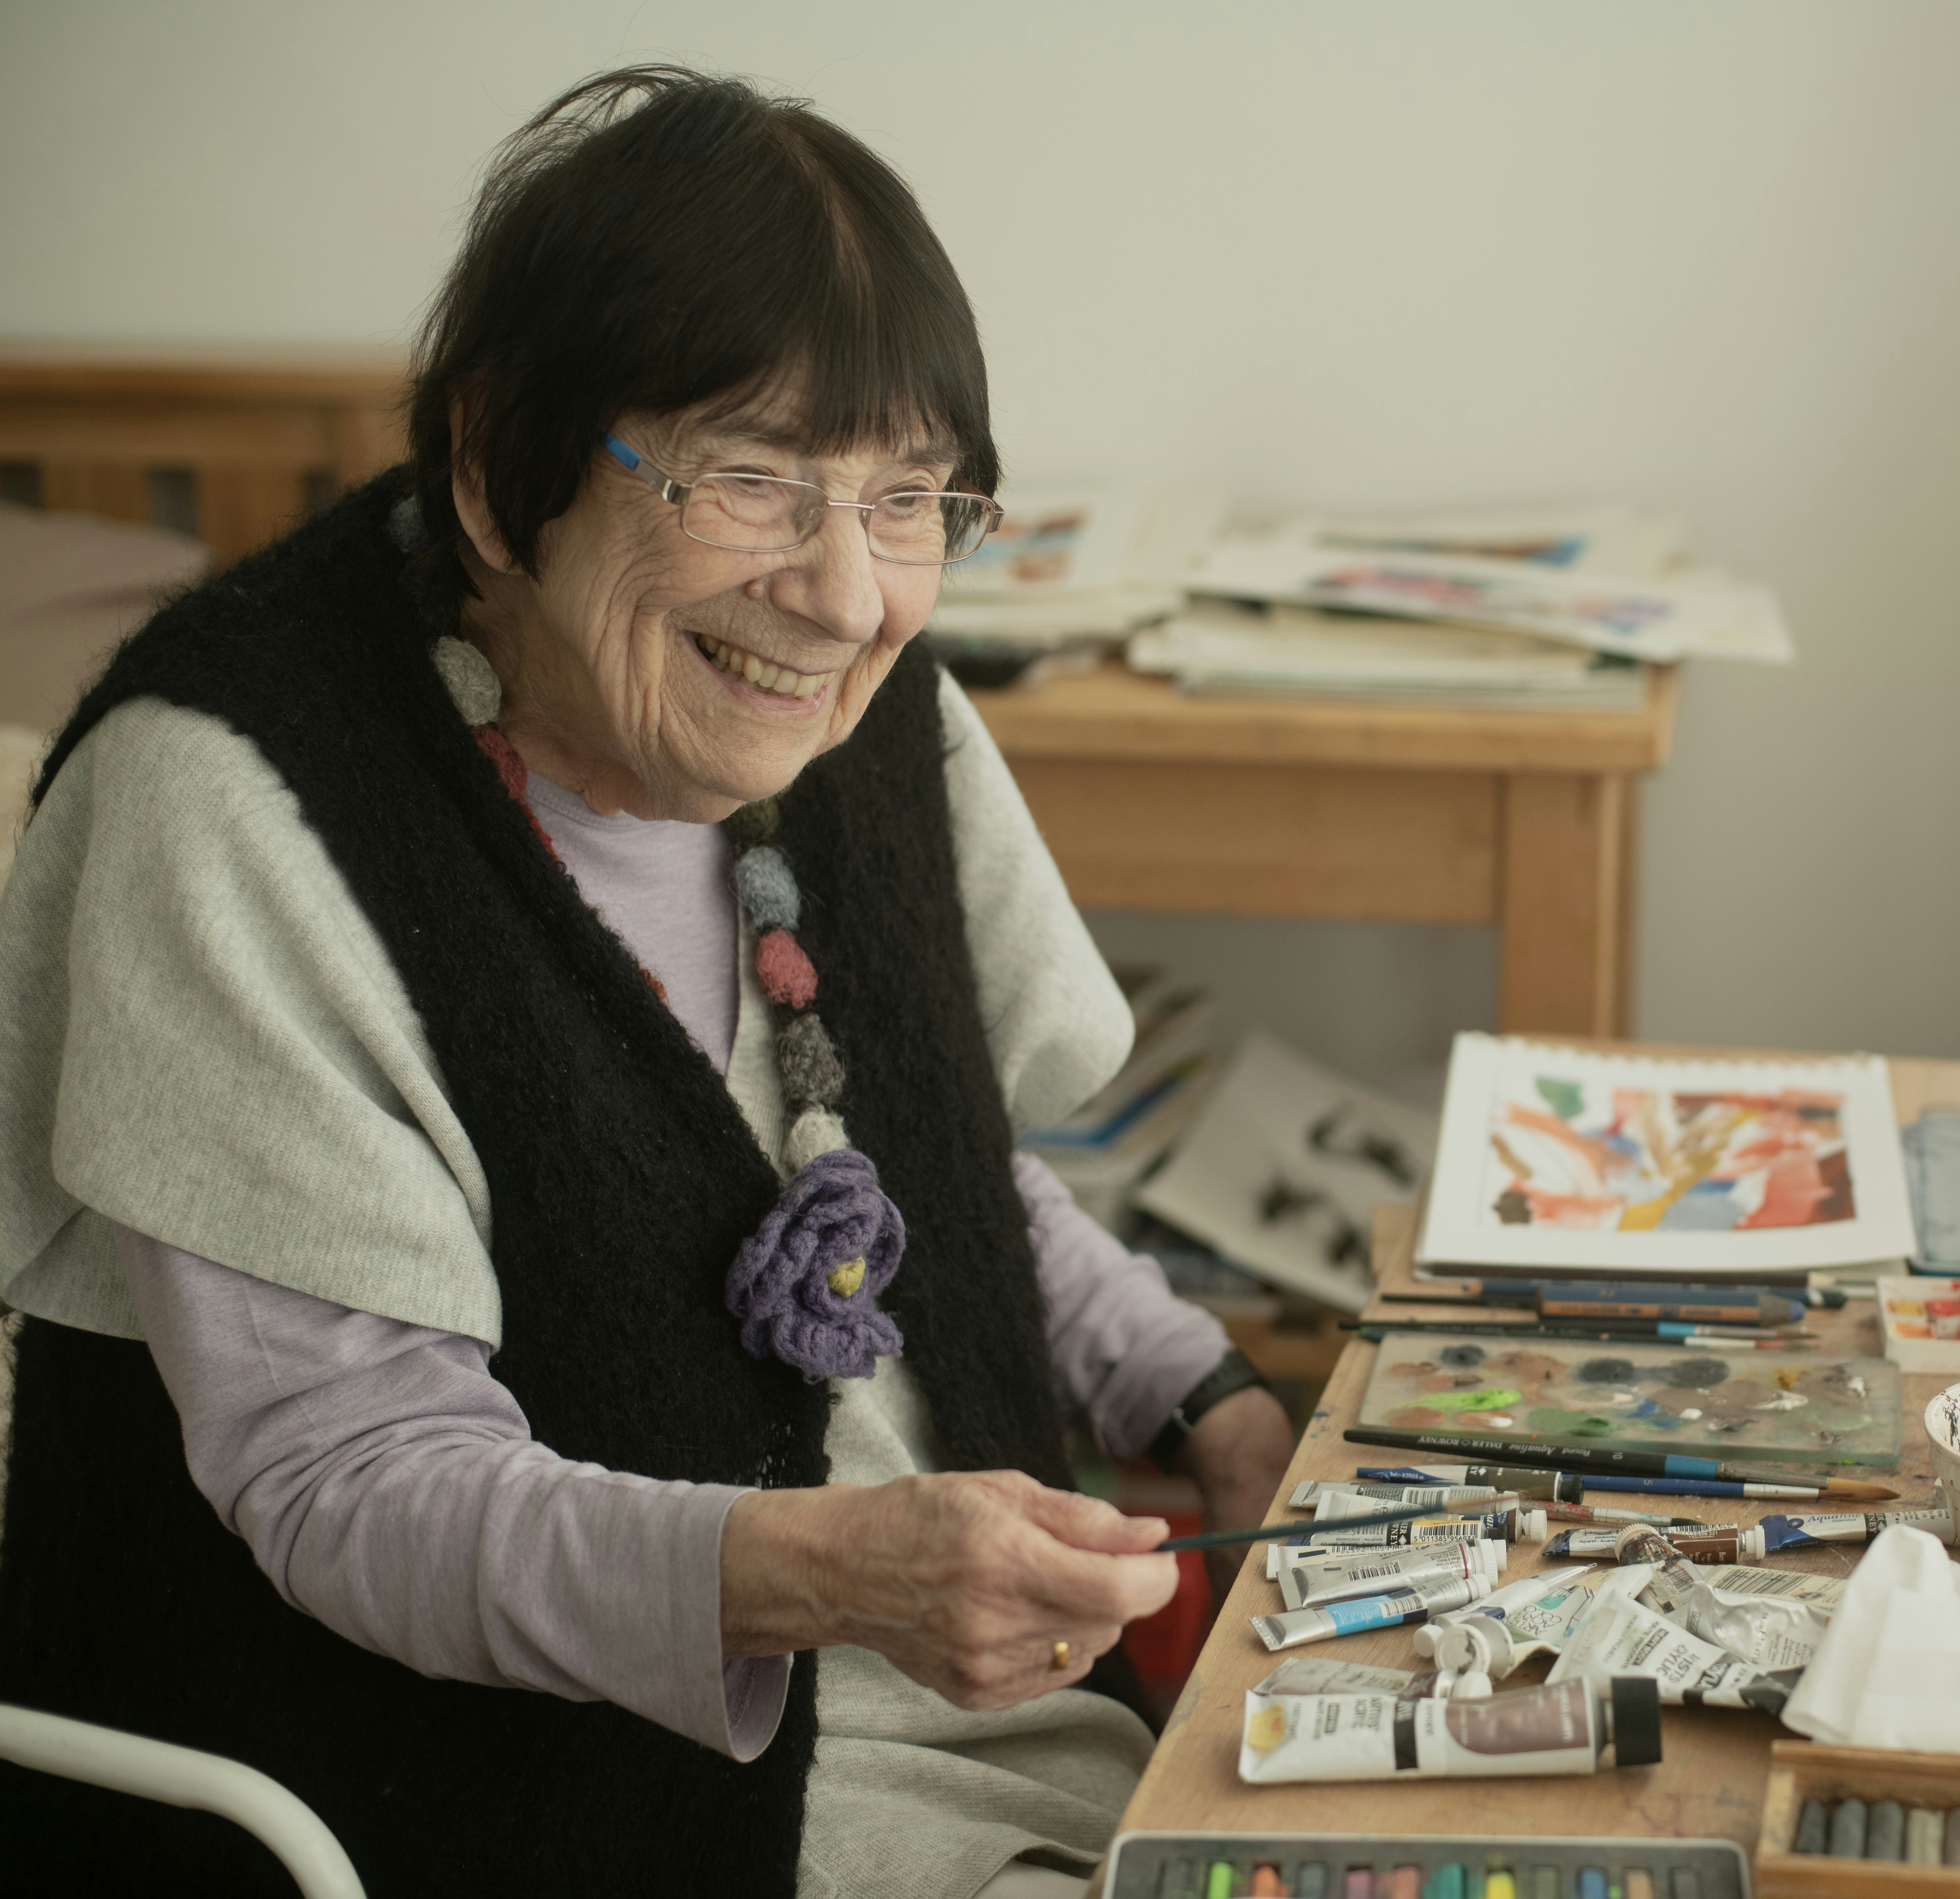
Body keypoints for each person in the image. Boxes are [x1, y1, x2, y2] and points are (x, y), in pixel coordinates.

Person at [0, 66, 1292, 1899]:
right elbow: (350, 1483)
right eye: (753, 480)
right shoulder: (234, 800)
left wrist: (1216, 1398)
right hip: (475, 1796)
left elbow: (935, 1171)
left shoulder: (859, 720)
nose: (845, 595)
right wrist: (835, 1570)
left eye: (910, 498)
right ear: (495, 465)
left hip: (968, 1738)